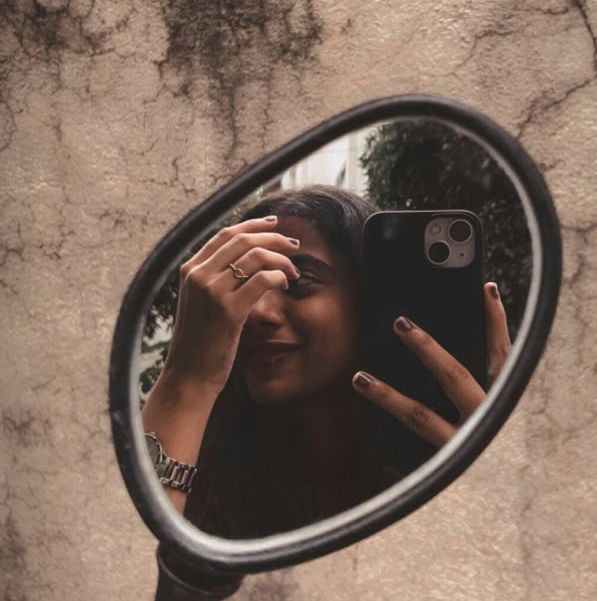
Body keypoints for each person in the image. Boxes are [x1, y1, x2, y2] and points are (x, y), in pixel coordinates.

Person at [141, 185, 511, 538]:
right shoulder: (203, 457)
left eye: (299, 281)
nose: (256, 311)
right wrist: (185, 380)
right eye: (244, 288)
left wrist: (494, 483)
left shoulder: (436, 455)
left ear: (371, 305)